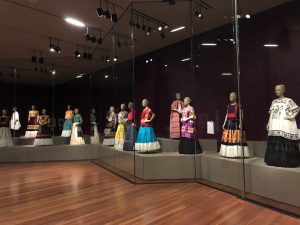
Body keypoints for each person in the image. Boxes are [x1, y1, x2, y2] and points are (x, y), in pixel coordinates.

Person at [265, 84, 300, 167]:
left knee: (284, 141)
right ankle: (275, 160)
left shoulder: (288, 101)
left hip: (284, 124)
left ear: (283, 90)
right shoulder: (274, 102)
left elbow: (297, 108)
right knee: (276, 140)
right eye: (276, 90)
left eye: (279, 90)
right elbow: (271, 113)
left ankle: (287, 161)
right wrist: (269, 123)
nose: (277, 92)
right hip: (275, 124)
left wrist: (291, 116)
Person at [219, 92, 252, 158]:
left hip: (236, 124)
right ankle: (228, 153)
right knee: (229, 139)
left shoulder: (239, 106)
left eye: (232, 96)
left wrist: (241, 123)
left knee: (236, 139)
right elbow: (227, 115)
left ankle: (237, 153)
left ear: (235, 97)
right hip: (229, 124)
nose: (230, 97)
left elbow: (241, 115)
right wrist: (224, 123)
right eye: (230, 96)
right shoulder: (228, 106)